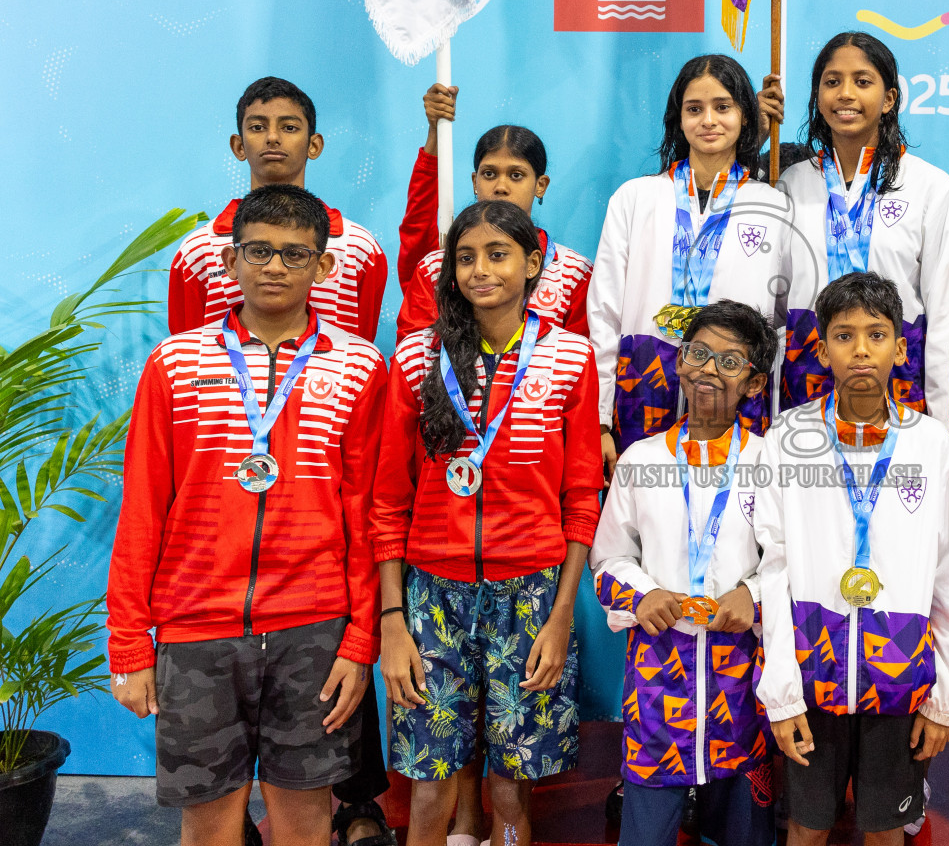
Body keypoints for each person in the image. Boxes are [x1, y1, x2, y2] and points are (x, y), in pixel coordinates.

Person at [107, 184, 385, 846]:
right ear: (231, 261)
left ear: (323, 266)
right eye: (258, 251)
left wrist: (360, 640)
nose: (275, 266)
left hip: (313, 631)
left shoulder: (359, 368)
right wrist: (129, 642)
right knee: (208, 826)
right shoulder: (176, 363)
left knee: (305, 823)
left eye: (295, 254)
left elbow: (366, 516)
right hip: (195, 630)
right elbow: (142, 507)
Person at [371, 199, 601, 846]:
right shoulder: (416, 358)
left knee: (510, 789)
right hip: (431, 595)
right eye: (466, 258)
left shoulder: (570, 358)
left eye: (498, 255)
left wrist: (560, 616)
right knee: (429, 789)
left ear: (532, 264)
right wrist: (394, 619)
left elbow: (582, 496)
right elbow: (388, 500)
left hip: (531, 595)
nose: (480, 271)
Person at [756, 271, 949, 846]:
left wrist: (946, 697)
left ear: (901, 349)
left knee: (885, 831)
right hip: (812, 673)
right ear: (822, 349)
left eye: (876, 335)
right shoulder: (787, 438)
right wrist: (781, 691)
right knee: (807, 828)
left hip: (899, 677)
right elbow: (773, 569)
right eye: (844, 335)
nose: (860, 349)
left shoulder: (930, 443)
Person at [590, 300, 780, 846]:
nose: (708, 369)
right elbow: (608, 559)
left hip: (743, 686)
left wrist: (753, 595)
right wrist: (643, 595)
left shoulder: (771, 463)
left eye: (730, 360)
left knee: (745, 837)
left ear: (754, 383)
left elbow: (793, 560)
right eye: (698, 353)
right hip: (657, 688)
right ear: (679, 362)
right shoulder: (640, 460)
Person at [587, 53, 791, 474]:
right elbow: (604, 316)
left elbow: (782, 325)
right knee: (645, 505)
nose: (708, 121)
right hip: (642, 388)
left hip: (733, 393)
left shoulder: (774, 206)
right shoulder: (635, 198)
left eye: (723, 107)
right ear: (677, 119)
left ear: (745, 116)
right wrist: (601, 419)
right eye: (694, 109)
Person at [767, 32, 949, 448]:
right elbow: (775, 308)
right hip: (806, 384)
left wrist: (946, 426)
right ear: (817, 95)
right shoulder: (791, 183)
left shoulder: (930, 186)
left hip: (898, 385)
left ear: (889, 98)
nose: (845, 94)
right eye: (832, 81)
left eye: (862, 81)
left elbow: (945, 315)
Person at [169, 76, 387, 342]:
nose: (272, 138)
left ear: (314, 145)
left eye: (289, 127)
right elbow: (188, 350)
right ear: (239, 146)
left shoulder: (359, 249)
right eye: (258, 127)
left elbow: (360, 347)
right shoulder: (198, 251)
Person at [396, 84, 592, 343]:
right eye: (489, 174)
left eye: (516, 175)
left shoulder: (574, 273)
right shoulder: (438, 267)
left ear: (540, 185)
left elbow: (580, 358)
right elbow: (412, 354)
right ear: (475, 182)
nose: (501, 187)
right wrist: (435, 134)